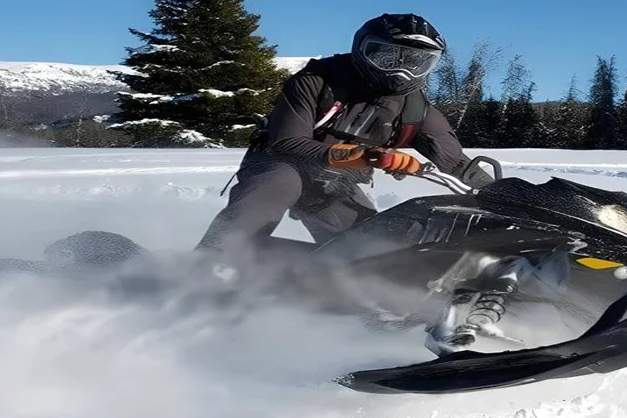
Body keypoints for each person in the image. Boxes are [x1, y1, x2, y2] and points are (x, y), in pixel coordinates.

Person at [194, 13, 494, 269]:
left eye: (417, 62)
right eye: (388, 56)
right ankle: (202, 268)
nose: (401, 70)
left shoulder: (416, 108)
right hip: (280, 165)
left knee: (368, 253)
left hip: (337, 183)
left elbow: (456, 163)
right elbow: (286, 143)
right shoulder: (316, 81)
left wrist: (510, 193)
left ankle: (305, 282)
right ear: (362, 50)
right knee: (269, 194)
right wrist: (368, 156)